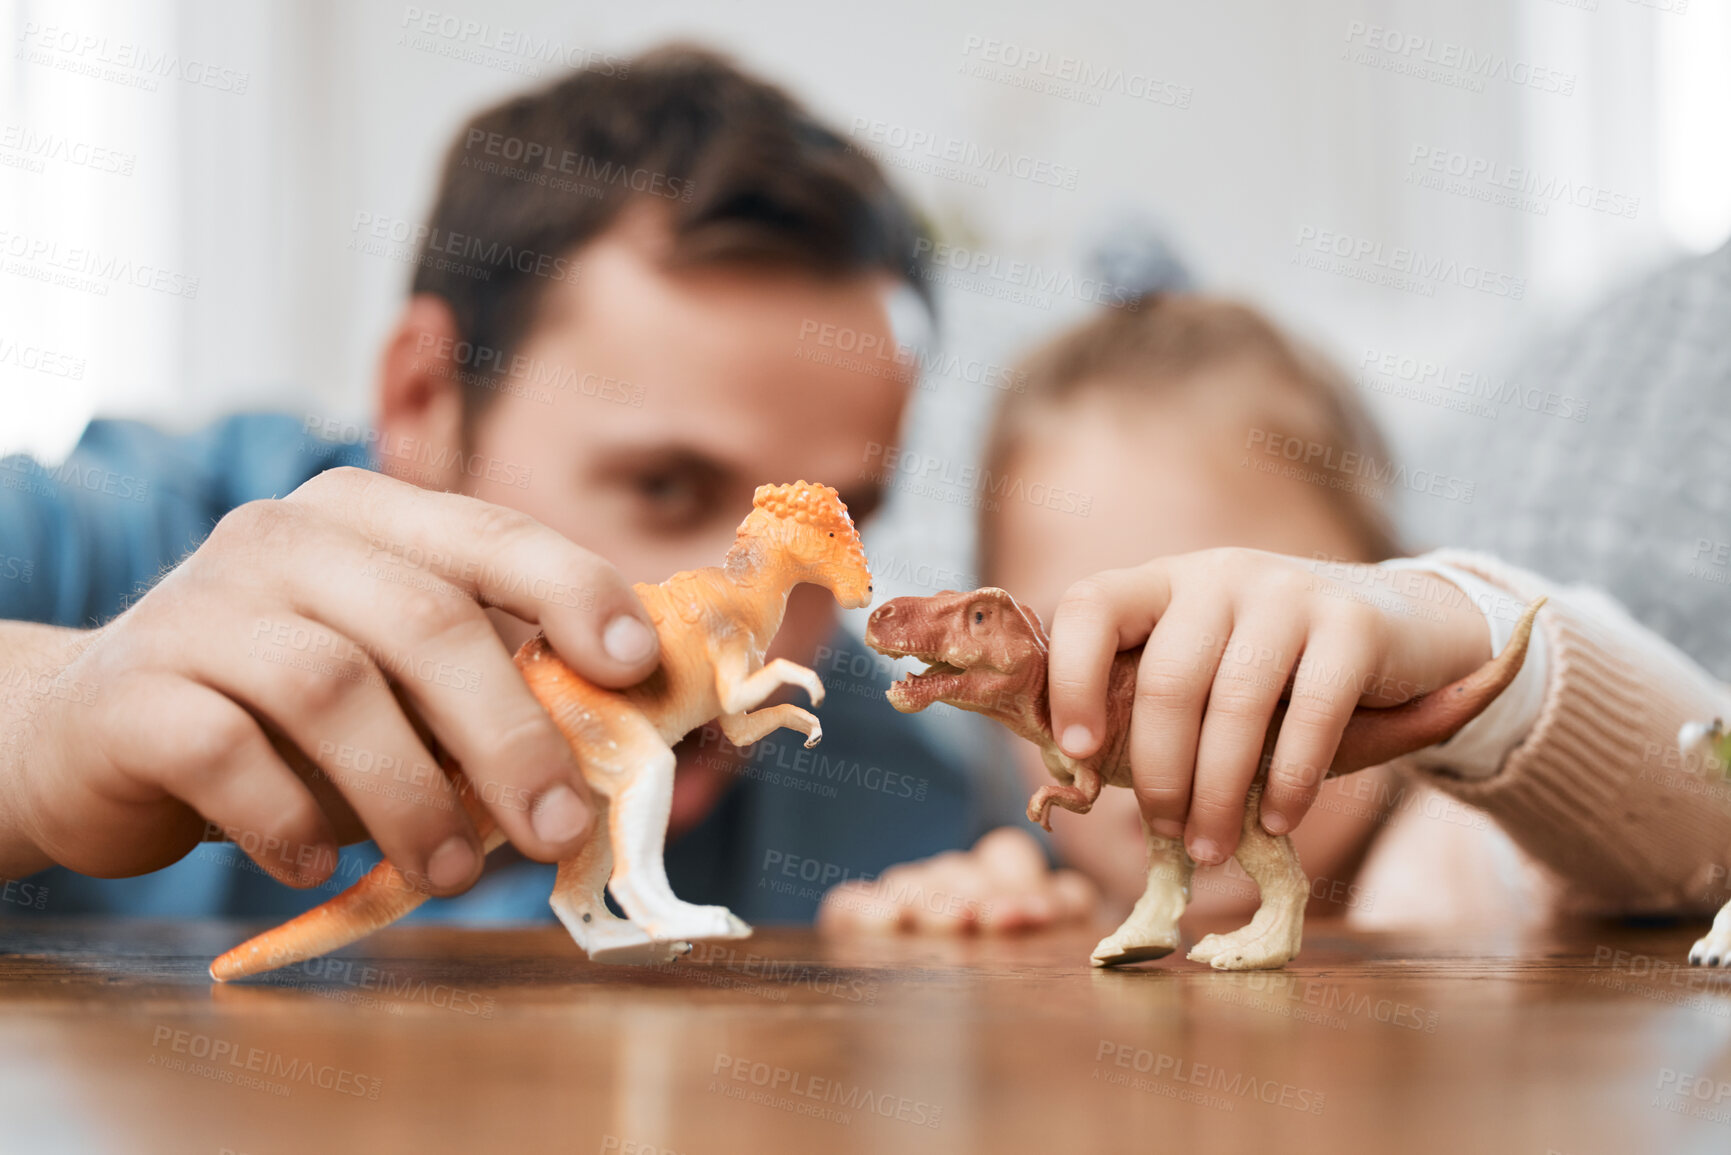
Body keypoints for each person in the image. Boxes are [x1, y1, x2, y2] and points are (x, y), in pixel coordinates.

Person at [0, 46, 1000, 926]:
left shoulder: (881, 775)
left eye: (840, 518)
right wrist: (41, 739)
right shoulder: (95, 547)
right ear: (424, 398)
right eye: (662, 488)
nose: (768, 639)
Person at [822, 288, 1731, 939]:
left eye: (1232, 633)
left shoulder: (1483, 861)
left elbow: (1704, 831)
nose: (1165, 696)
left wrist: (1470, 635)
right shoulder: (1050, 903)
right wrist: (948, 933)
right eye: (1075, 645)